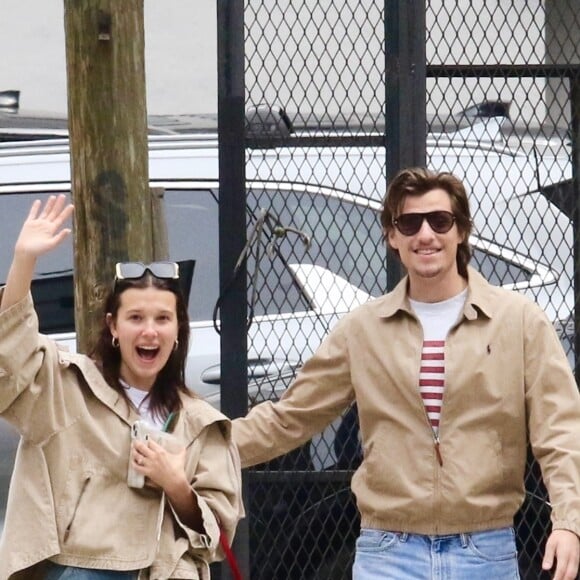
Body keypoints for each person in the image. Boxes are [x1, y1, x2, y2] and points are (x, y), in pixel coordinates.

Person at [232, 167, 580, 580]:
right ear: (392, 236)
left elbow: (559, 430)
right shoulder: (363, 329)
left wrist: (569, 522)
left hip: (485, 549)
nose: (426, 234)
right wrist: (198, 450)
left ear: (461, 231)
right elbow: (290, 418)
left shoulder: (519, 321)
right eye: (409, 223)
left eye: (440, 220)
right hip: (388, 552)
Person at [0, 195, 243, 579]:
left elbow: (216, 533)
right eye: (135, 317)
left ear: (179, 330)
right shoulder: (67, 384)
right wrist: (24, 261)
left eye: (163, 318)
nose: (149, 330)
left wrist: (176, 484)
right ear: (113, 327)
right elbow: (10, 358)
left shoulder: (201, 423)